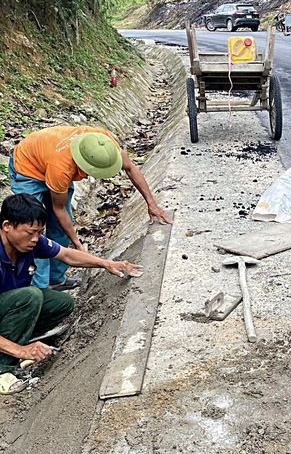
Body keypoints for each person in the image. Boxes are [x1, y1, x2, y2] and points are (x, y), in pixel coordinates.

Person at [0, 193, 142, 395]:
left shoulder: (29, 241)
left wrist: (106, 263)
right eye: (30, 233)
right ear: (7, 226)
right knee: (31, 297)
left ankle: (18, 343)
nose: (35, 239)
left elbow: (66, 255)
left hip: (9, 308)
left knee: (62, 303)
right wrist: (21, 351)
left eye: (39, 233)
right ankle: (3, 368)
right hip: (13, 305)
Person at [8, 125, 170, 290]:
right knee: (33, 232)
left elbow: (130, 168)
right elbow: (59, 209)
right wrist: (78, 244)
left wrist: (152, 204)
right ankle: (40, 290)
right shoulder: (62, 169)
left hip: (49, 157)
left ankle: (56, 280)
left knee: (61, 229)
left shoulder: (104, 143)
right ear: (81, 165)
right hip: (28, 169)